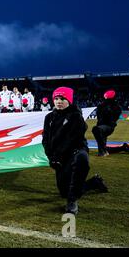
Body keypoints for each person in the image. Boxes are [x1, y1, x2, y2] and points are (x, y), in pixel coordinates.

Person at [42, 87, 108, 215]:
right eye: (56, 98)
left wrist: (58, 156)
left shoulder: (76, 116)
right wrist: (51, 157)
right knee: (63, 192)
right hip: (58, 156)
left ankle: (72, 201)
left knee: (82, 160)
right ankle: (93, 183)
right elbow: (45, 139)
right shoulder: (49, 117)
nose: (58, 101)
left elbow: (70, 139)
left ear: (69, 100)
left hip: (75, 151)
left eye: (62, 98)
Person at [92, 90, 129, 156]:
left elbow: (112, 118)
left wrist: (105, 110)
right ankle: (123, 148)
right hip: (103, 127)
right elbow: (100, 117)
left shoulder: (114, 107)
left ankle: (103, 153)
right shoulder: (105, 106)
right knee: (104, 147)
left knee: (96, 130)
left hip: (108, 127)